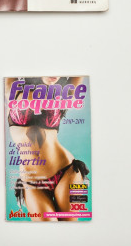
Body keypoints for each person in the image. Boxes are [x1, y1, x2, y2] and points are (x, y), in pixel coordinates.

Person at [7, 76, 88, 221]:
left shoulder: (64, 91)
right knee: (45, 231)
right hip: (31, 181)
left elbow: (80, 74)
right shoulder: (12, 86)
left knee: (71, 231)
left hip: (67, 171)